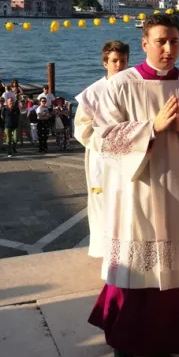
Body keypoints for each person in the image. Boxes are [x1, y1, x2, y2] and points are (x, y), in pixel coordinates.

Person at [86, 14, 179, 357]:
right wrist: (151, 128)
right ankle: (124, 341)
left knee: (171, 281)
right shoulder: (122, 85)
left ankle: (164, 347)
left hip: (177, 191)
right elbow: (103, 139)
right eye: (161, 41)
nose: (168, 49)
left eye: (175, 41)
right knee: (133, 272)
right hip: (135, 193)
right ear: (144, 44)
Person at [74, 40, 129, 259]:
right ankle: (105, 249)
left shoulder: (134, 86)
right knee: (103, 202)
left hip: (129, 155)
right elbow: (82, 128)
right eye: (114, 61)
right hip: (102, 157)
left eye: (123, 61)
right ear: (105, 62)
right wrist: (109, 140)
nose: (119, 65)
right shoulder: (92, 93)